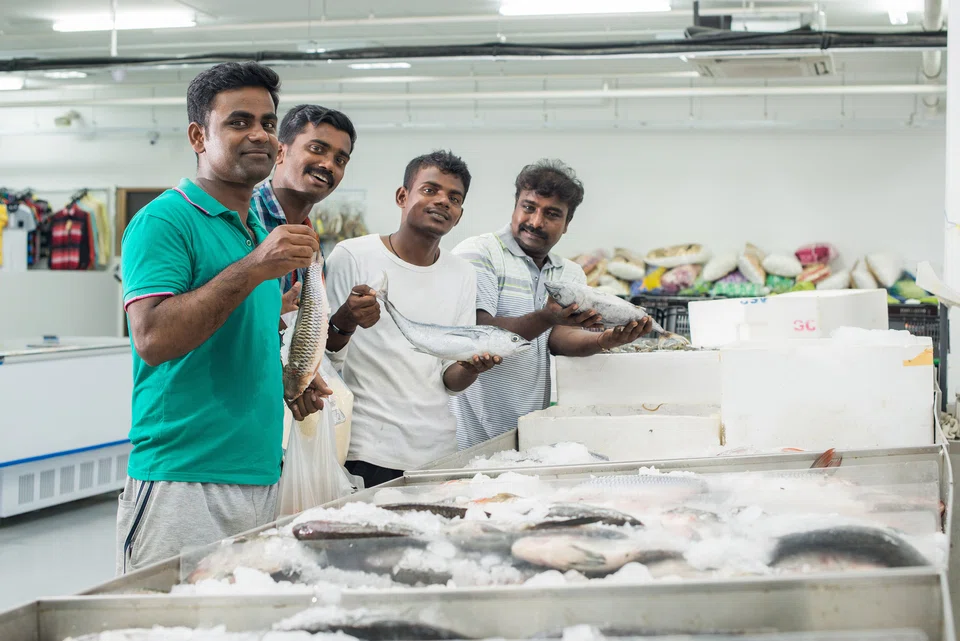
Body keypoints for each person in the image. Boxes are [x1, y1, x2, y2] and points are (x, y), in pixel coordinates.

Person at [117, 62, 329, 573]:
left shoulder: (257, 227)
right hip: (183, 478)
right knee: (171, 625)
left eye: (267, 122)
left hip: (258, 471)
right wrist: (255, 267)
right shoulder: (165, 220)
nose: (259, 134)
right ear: (198, 135)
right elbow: (153, 338)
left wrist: (287, 380)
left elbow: (233, 334)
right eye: (238, 122)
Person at [324, 150, 500, 488]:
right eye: (430, 190)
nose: (443, 201)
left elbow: (450, 380)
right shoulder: (352, 255)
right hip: (366, 448)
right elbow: (325, 355)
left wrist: (471, 367)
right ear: (402, 196)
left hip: (438, 453)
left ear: (460, 215)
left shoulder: (462, 273)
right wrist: (346, 317)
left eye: (454, 197)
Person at [451, 159, 652, 449]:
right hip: (468, 433)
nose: (535, 221)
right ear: (515, 206)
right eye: (529, 207)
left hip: (528, 429)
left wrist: (606, 339)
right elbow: (481, 332)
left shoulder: (570, 273)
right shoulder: (479, 253)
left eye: (552, 214)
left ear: (567, 224)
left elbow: (557, 340)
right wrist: (547, 317)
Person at [251, 104, 356, 316]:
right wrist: (268, 316)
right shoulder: (242, 216)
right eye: (317, 149)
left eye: (340, 160)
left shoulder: (313, 246)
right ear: (280, 152)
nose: (328, 165)